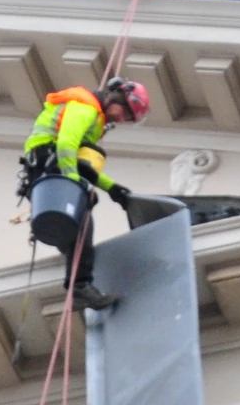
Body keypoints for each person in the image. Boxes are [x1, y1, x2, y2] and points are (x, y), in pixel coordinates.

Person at [20, 76, 149, 310]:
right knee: (82, 220)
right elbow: (66, 146)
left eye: (128, 118)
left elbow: (82, 165)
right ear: (116, 97)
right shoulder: (85, 107)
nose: (123, 119)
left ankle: (71, 255)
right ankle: (79, 286)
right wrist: (72, 184)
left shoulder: (93, 118)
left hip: (46, 165)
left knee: (82, 211)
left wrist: (112, 188)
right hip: (48, 160)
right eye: (126, 112)